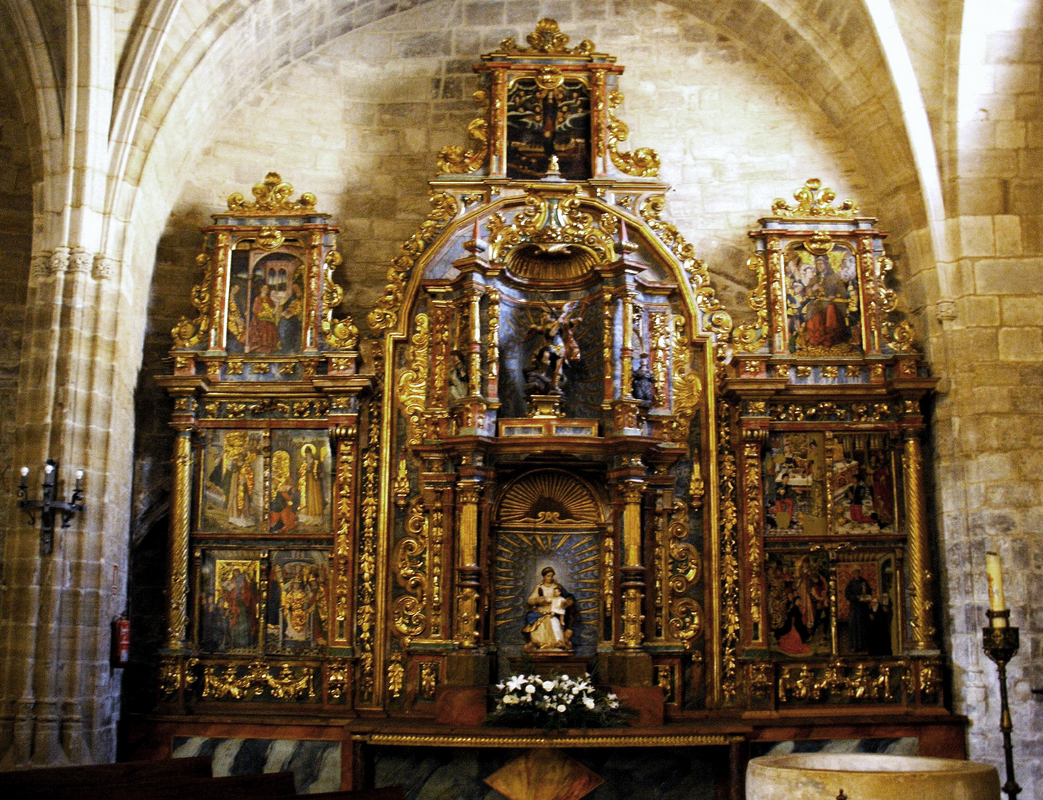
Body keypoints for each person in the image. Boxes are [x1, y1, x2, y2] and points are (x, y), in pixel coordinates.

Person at [522, 567, 575, 651]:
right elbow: (530, 600)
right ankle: (537, 642)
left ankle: (557, 642)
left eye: (551, 576)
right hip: (541, 611)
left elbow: (567, 597)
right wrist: (538, 600)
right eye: (548, 576)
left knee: (555, 621)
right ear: (544, 577)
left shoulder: (556, 587)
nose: (550, 578)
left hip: (553, 610)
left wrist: (565, 603)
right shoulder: (539, 587)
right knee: (531, 616)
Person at [845, 567, 873, 652]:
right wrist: (855, 597)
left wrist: (865, 589)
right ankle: (854, 646)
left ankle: (864, 646)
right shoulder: (851, 583)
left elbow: (869, 593)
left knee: (863, 626)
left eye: (857, 572)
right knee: (854, 626)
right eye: (855, 573)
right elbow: (847, 595)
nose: (856, 574)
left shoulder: (864, 581)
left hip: (863, 607)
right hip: (855, 607)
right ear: (853, 574)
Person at [247, 283, 281, 353]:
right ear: (261, 289)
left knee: (270, 329)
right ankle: (261, 347)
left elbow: (273, 310)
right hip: (260, 320)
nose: (265, 290)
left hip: (269, 319)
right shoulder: (258, 299)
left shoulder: (269, 299)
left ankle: (268, 347)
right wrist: (264, 315)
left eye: (267, 288)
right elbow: (255, 310)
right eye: (264, 288)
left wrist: (276, 306)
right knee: (263, 328)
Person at [298, 444, 326, 525]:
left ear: (311, 454)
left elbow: (321, 472)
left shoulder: (316, 462)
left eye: (309, 453)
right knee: (308, 498)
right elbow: (300, 473)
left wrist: (320, 474)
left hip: (315, 483)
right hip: (306, 483)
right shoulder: (304, 464)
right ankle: (308, 516)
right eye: (306, 454)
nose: (308, 455)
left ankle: (316, 517)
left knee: (315, 498)